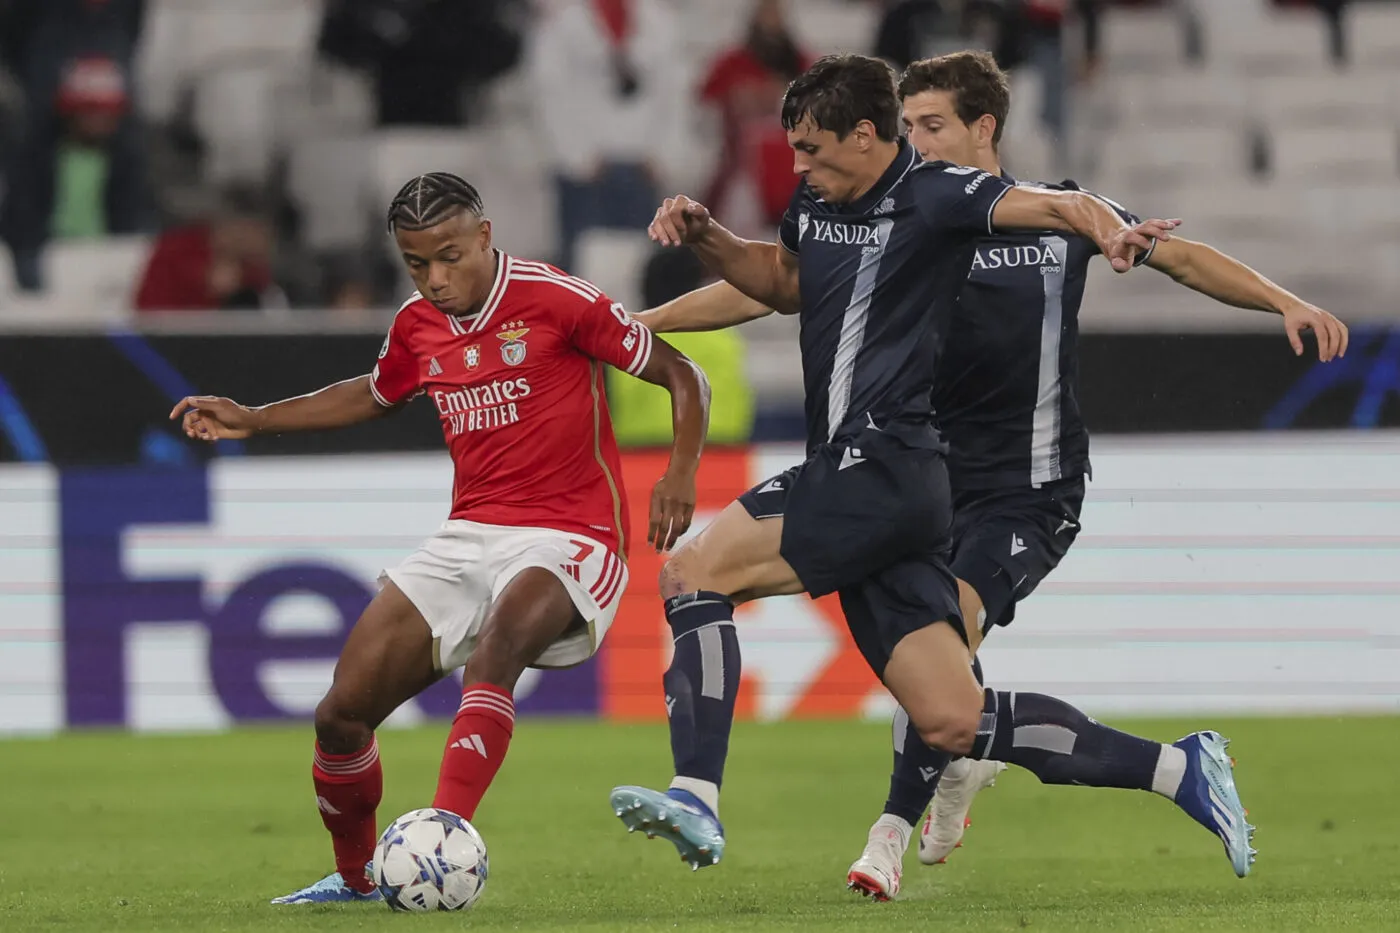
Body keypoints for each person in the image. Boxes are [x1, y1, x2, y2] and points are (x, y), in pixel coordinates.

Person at [632, 50, 1347, 898]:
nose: (918, 138)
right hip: (933, 478)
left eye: (932, 124)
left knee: (693, 573)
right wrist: (637, 322)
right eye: (913, 124)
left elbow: (1103, 220)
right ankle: (1176, 768)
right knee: (951, 713)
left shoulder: (958, 202)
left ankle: (742, 803)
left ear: (983, 129)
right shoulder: (837, 200)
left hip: (987, 482)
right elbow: (783, 281)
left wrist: (1263, 292)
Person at [169, 172, 710, 903]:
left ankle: (441, 837)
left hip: (570, 534)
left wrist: (680, 474)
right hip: (468, 534)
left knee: (494, 653)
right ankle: (359, 880)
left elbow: (685, 376)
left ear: (485, 236)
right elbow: (373, 392)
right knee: (340, 714)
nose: (434, 278)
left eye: (449, 256)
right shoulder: (416, 325)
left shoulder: (558, 298)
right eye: (416, 263)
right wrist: (256, 417)